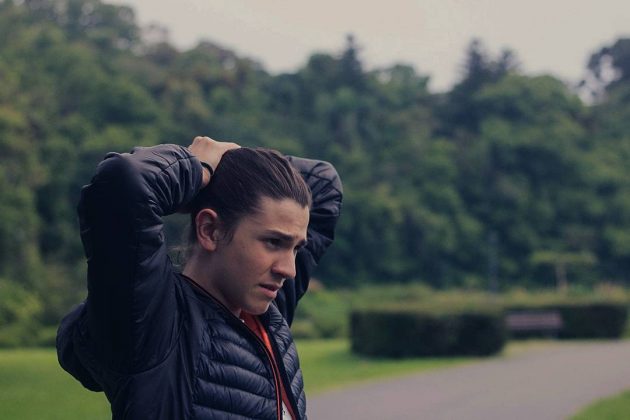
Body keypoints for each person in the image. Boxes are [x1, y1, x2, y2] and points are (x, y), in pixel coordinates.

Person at [56, 136, 343, 419]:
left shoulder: (269, 308)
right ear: (209, 230)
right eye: (273, 242)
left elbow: (324, 183)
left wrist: (236, 166)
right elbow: (122, 184)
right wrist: (201, 166)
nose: (289, 269)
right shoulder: (152, 323)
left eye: (295, 247)